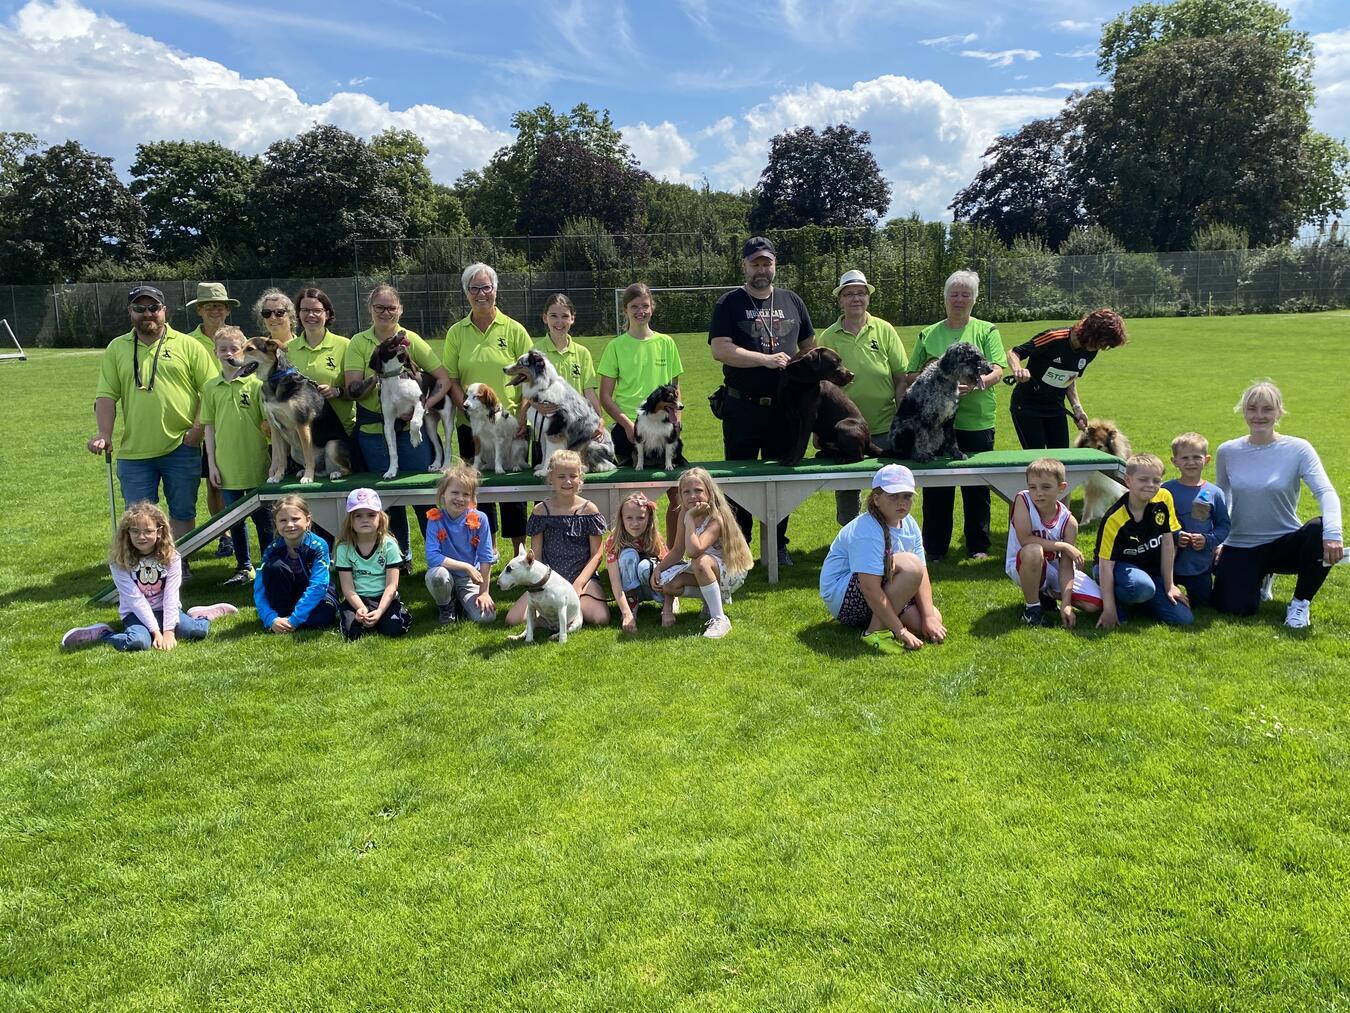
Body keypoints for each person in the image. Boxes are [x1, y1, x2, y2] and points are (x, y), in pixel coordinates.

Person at [708, 236, 815, 566]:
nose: (761, 269)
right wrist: (763, 359)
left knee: (779, 481)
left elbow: (809, 347)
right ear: (744, 265)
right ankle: (739, 548)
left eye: (766, 262)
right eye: (755, 263)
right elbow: (720, 349)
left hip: (784, 409)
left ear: (774, 265)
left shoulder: (792, 300)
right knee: (738, 482)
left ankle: (777, 546)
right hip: (743, 407)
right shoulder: (729, 303)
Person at [87, 286, 216, 548]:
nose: (148, 313)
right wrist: (104, 434)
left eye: (153, 308)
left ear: (164, 311)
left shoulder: (188, 345)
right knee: (138, 519)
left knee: (182, 512)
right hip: (134, 452)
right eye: (139, 308)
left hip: (181, 446)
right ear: (130, 312)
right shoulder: (116, 348)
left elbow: (212, 391)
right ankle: (146, 572)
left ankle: (180, 564)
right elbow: (106, 396)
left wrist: (196, 431)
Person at [1214, 381, 1343, 627]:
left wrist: (1334, 533)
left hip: (1284, 543)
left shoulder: (1298, 449)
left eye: (1267, 409)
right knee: (1235, 608)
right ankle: (1260, 578)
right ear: (1244, 412)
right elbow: (1223, 496)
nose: (1259, 415)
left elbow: (1325, 491)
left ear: (1279, 412)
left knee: (1319, 528)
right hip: (1241, 544)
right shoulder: (1228, 451)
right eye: (1252, 409)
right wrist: (1218, 540)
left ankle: (1299, 604)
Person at [343, 284, 451, 566]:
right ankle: (399, 558)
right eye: (379, 307)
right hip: (372, 429)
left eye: (391, 307)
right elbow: (352, 388)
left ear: (400, 309)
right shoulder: (358, 342)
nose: (385, 312)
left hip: (411, 426)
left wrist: (422, 409)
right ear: (370, 310)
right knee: (387, 502)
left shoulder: (410, 339)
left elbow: (443, 378)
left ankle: (438, 558)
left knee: (424, 496)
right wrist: (379, 378)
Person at [905, 270, 1007, 561]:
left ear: (975, 299)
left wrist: (977, 384)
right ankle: (935, 549)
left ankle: (978, 546)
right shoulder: (929, 333)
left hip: (977, 421)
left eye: (966, 294)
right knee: (938, 488)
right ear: (945, 298)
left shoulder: (987, 330)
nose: (959, 299)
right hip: (936, 424)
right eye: (954, 294)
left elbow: (998, 368)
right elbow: (912, 373)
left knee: (976, 487)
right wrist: (937, 379)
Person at [443, 263, 533, 556]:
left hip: (508, 422)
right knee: (475, 486)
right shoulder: (457, 333)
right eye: (474, 288)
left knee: (512, 487)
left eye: (486, 287)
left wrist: (522, 416)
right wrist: (467, 410)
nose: (481, 294)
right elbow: (451, 379)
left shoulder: (514, 329)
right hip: (471, 423)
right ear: (466, 293)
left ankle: (519, 548)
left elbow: (531, 377)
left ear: (496, 290)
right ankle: (486, 547)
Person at [60, 502, 236, 651]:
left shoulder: (172, 556)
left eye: (148, 531)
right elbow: (135, 599)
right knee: (138, 643)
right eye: (135, 531)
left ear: (159, 532)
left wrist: (168, 631)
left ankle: (201, 616)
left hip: (167, 609)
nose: (141, 537)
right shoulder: (119, 561)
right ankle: (104, 633)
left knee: (196, 633)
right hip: (135, 613)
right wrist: (155, 632)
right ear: (127, 533)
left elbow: (171, 595)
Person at [819, 464, 947, 652]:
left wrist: (928, 617)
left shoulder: (909, 523)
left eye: (907, 496)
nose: (901, 502)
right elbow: (869, 588)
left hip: (876, 589)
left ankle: (878, 620)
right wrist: (901, 631)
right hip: (846, 600)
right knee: (911, 566)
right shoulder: (867, 529)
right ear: (877, 499)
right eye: (893, 496)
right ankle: (874, 632)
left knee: (932, 620)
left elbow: (923, 573)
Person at [816, 269, 908, 522]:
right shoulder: (828, 336)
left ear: (868, 298)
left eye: (861, 293)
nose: (855, 298)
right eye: (849, 294)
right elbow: (820, 388)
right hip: (843, 431)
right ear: (840, 300)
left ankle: (892, 547)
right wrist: (818, 432)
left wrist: (903, 418)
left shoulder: (885, 329)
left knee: (892, 495)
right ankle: (849, 545)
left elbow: (901, 377)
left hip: (884, 426)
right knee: (847, 495)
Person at [598, 282, 684, 540]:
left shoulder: (666, 343)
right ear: (625, 310)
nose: (640, 311)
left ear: (652, 308)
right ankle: (629, 554)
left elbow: (676, 390)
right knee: (632, 500)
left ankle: (671, 554)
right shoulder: (615, 346)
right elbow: (605, 396)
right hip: (630, 431)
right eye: (634, 307)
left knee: (678, 494)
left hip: (664, 429)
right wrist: (626, 424)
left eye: (644, 306)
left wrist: (676, 419)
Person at [505, 450, 610, 629]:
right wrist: (538, 585)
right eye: (561, 476)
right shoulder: (541, 511)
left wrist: (579, 583)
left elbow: (597, 554)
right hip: (549, 578)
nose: (567, 481)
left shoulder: (588, 510)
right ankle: (555, 614)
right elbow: (535, 555)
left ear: (580, 478)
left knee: (600, 618)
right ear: (551, 478)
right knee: (512, 619)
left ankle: (562, 612)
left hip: (581, 577)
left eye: (573, 476)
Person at [201, 326, 273, 586]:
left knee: (264, 520)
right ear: (215, 352)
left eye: (234, 348)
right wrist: (211, 464)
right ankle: (244, 567)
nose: (229, 353)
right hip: (226, 466)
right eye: (223, 349)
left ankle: (268, 565)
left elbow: (269, 425)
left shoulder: (256, 384)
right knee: (235, 520)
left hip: (256, 464)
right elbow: (208, 427)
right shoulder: (211, 387)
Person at [1094, 453, 1193, 629]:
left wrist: (1169, 585)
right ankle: (1112, 600)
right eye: (1143, 479)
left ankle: (1144, 600)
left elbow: (1168, 543)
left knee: (1183, 619)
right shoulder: (1114, 519)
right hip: (1116, 569)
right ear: (1128, 480)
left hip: (1150, 572)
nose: (1150, 485)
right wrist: (1109, 609)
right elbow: (1105, 565)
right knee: (1142, 588)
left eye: (1156, 480)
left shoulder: (1164, 498)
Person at [1006, 307, 1128, 449]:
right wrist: (1018, 369)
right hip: (1027, 407)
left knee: (1061, 460)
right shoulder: (1054, 337)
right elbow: (1014, 352)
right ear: (1090, 332)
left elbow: (1070, 378)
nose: (1100, 348)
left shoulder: (1090, 352)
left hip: (1055, 408)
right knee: (1036, 459)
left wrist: (1077, 408)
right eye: (1100, 343)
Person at [652, 467, 753, 639]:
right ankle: (711, 599)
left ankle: (719, 618)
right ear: (681, 496)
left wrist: (690, 518)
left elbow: (693, 551)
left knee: (700, 561)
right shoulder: (684, 512)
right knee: (668, 583)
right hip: (705, 568)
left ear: (709, 492)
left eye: (698, 490)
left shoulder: (716, 517)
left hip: (729, 571)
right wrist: (659, 568)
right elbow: (677, 551)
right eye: (686, 492)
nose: (692, 496)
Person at [1004, 458, 1103, 627]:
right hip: (1023, 563)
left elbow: (1065, 567)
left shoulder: (1069, 521)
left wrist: (1066, 604)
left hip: (1054, 569)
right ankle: (1032, 610)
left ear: (1062, 488)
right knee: (1033, 550)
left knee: (1095, 604)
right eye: (1032, 487)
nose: (1038, 493)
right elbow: (1025, 539)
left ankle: (1046, 595)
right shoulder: (1023, 500)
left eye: (1046, 487)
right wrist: (1064, 546)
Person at [185, 281, 238, 556]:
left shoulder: (239, 339)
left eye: (220, 305)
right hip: (202, 420)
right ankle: (224, 534)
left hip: (236, 419)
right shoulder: (187, 342)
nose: (215, 310)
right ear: (199, 310)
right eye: (209, 306)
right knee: (214, 481)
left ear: (227, 310)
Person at [424, 464, 498, 626]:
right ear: (443, 494)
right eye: (454, 493)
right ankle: (445, 605)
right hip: (446, 574)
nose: (460, 498)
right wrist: (467, 567)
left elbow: (486, 557)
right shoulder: (434, 519)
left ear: (472, 497)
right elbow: (432, 557)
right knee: (436, 576)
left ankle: (462, 604)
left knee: (487, 617)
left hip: (469, 580)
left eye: (466, 494)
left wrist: (484, 592)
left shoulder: (481, 519)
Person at [334, 488, 412, 640]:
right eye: (358, 516)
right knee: (352, 633)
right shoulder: (344, 548)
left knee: (394, 629)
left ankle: (390, 614)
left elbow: (392, 585)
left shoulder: (389, 546)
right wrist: (361, 608)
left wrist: (380, 610)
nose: (365, 520)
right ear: (350, 520)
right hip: (357, 599)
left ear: (380, 518)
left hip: (384, 598)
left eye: (371, 515)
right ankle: (361, 616)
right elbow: (347, 588)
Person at [1163, 431, 1230, 609]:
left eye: (1196, 457)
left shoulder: (1215, 493)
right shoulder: (1166, 490)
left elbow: (1224, 526)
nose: (1191, 462)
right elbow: (1157, 523)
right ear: (1174, 461)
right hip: (1170, 564)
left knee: (1203, 604)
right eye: (1184, 458)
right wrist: (1176, 535)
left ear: (1206, 460)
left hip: (1200, 564)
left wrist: (1208, 540)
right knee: (1169, 602)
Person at [254, 494, 339, 633]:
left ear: (308, 520)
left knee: (323, 617)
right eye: (283, 520)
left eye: (295, 519)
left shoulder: (318, 546)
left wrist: (295, 619)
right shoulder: (272, 549)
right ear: (275, 523)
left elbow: (319, 586)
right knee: (273, 567)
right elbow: (259, 588)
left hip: (316, 596)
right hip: (288, 598)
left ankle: (290, 621)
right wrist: (271, 618)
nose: (289, 525)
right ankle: (281, 619)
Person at [287, 286, 356, 448]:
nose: (310, 315)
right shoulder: (289, 349)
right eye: (305, 310)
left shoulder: (345, 345)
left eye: (317, 310)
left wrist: (337, 391)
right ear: (298, 314)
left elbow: (359, 390)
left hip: (341, 435)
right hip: (305, 439)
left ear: (328, 313)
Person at [603, 491, 668, 634]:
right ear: (621, 518)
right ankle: (631, 601)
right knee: (628, 556)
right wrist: (626, 614)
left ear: (649, 518)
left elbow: (670, 572)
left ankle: (664, 600)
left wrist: (669, 607)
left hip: (652, 586)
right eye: (629, 518)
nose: (635, 523)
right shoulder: (614, 541)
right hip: (629, 586)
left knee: (645, 566)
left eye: (640, 518)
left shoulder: (655, 539)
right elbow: (615, 582)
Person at [533, 293, 604, 417]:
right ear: (545, 318)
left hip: (576, 424)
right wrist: (536, 405)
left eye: (565, 316)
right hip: (546, 426)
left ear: (572, 318)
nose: (559, 322)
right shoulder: (535, 352)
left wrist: (600, 419)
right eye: (554, 316)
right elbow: (528, 391)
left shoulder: (582, 353)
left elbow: (589, 392)